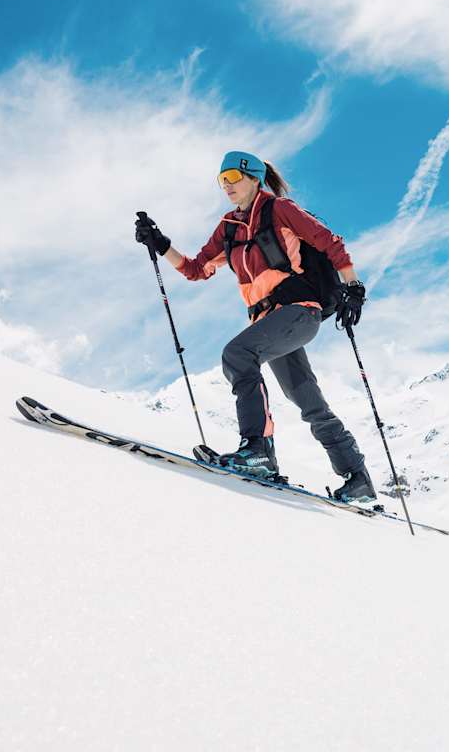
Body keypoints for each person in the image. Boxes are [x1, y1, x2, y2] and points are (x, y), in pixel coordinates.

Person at [134, 151, 374, 503]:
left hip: (298, 312)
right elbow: (197, 269)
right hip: (268, 321)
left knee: (238, 354)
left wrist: (353, 285)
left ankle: (257, 449)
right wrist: (160, 244)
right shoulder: (228, 228)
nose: (227, 185)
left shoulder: (280, 210)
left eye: (233, 177)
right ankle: (358, 480)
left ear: (253, 177)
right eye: (222, 179)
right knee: (306, 398)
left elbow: (329, 241)